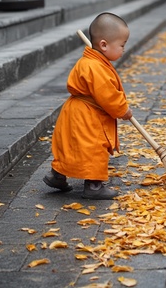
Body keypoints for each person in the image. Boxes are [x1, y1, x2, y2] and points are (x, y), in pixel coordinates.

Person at [43, 12, 133, 200]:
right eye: (122, 45)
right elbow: (108, 95)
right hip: (88, 116)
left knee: (70, 146)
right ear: (104, 45)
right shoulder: (95, 67)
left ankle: (57, 176)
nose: (124, 49)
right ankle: (93, 186)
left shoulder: (91, 61)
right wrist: (123, 110)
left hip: (74, 112)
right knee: (93, 147)